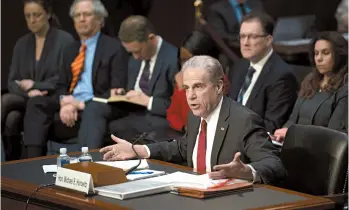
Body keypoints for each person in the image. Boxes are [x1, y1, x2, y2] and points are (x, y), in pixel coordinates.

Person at [100, 55, 286, 184]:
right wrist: (138, 150)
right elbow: (185, 147)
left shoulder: (244, 120)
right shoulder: (196, 116)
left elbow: (274, 164)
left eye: (198, 87)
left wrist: (247, 171)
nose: (190, 96)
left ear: (219, 86)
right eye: (187, 88)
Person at [22, 0, 128, 157]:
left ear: (100, 19)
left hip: (95, 103)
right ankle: (32, 160)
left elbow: (116, 89)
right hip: (72, 100)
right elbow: (61, 85)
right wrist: (64, 102)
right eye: (77, 15)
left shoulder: (114, 48)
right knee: (36, 102)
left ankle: (86, 164)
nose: (81, 19)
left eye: (87, 14)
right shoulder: (70, 49)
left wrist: (80, 104)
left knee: (93, 108)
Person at [1, 0, 74, 160]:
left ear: (47, 14)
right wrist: (30, 92)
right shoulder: (21, 44)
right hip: (25, 97)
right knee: (8, 109)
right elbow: (12, 81)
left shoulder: (65, 41)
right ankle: (9, 169)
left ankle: (14, 167)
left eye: (36, 15)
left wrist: (36, 85)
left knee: (11, 114)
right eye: (28, 16)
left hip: (51, 97)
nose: (32, 20)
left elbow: (65, 79)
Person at [106, 15, 179, 141]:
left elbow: (180, 108)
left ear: (151, 38)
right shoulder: (137, 57)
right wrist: (123, 94)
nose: (135, 57)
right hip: (134, 114)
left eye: (138, 51)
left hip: (159, 119)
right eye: (131, 53)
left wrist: (148, 101)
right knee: (97, 113)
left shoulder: (174, 60)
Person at [228, 12, 298, 133]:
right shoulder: (239, 66)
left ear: (268, 40)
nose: (245, 42)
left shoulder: (282, 76)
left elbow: (271, 125)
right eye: (242, 36)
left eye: (252, 37)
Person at [273, 31, 348, 142]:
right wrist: (281, 133)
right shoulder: (310, 80)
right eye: (316, 53)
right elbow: (292, 120)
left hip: (321, 153)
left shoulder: (345, 89)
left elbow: (334, 135)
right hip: (295, 146)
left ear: (339, 55)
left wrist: (293, 135)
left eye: (325, 53)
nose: (319, 58)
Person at [167, 30, 230, 132]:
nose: (186, 66)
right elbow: (172, 114)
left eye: (191, 61)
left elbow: (205, 117)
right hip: (183, 136)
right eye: (183, 60)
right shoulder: (181, 78)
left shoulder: (220, 83)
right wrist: (183, 127)